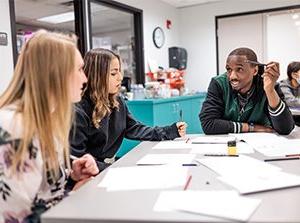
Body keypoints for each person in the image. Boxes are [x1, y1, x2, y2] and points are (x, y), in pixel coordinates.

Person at [0, 30, 99, 222]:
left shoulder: (44, 120)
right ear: (56, 73)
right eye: (79, 69)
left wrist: (72, 172)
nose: (85, 79)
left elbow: (39, 178)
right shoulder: (14, 128)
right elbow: (15, 217)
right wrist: (73, 198)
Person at [70, 48, 187, 171]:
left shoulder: (117, 102)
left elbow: (134, 129)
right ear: (96, 76)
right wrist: (113, 168)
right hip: (91, 173)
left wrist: (170, 131)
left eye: (120, 71)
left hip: (107, 168)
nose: (120, 77)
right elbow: (78, 160)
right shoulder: (79, 110)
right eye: (113, 73)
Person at [199, 47, 294, 135]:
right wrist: (251, 127)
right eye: (229, 69)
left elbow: (285, 129)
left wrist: (270, 91)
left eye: (239, 69)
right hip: (227, 145)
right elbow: (208, 124)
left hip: (261, 146)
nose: (232, 76)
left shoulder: (269, 85)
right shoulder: (219, 84)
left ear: (255, 70)